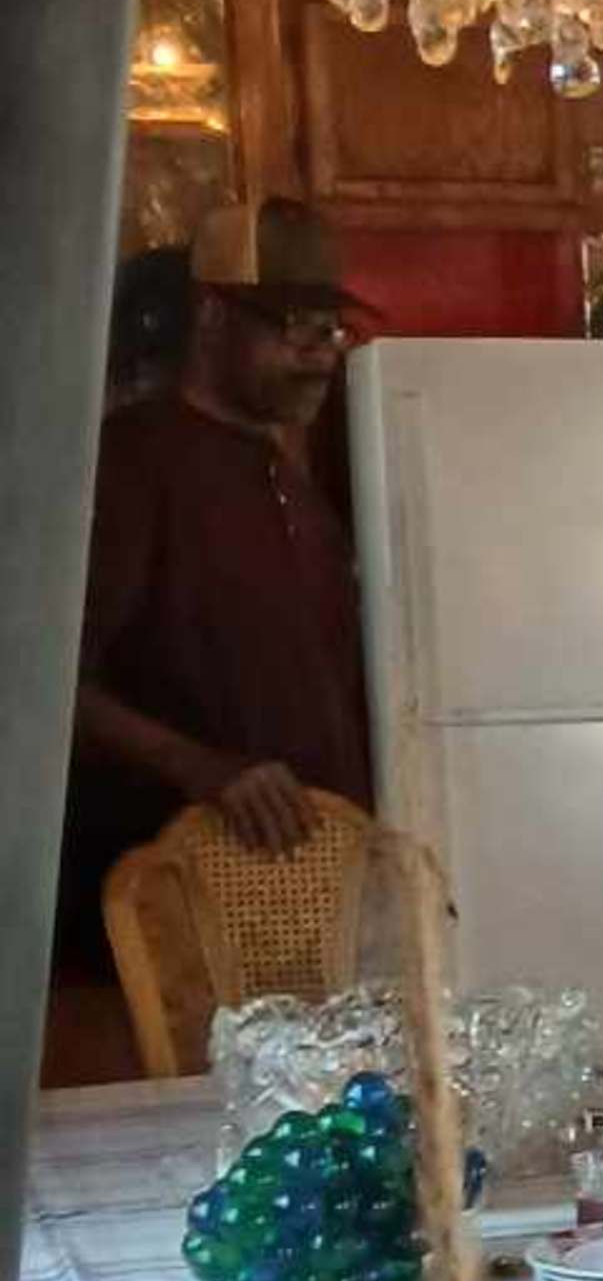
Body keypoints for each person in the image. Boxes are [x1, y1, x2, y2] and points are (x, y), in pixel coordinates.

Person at [65, 198, 375, 934]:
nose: (323, 352)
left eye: (332, 329)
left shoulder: (286, 478)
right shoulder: (131, 463)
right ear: (211, 317)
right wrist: (202, 767)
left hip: (297, 900)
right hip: (165, 916)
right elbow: (39, 680)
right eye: (295, 327)